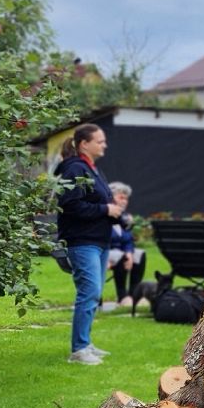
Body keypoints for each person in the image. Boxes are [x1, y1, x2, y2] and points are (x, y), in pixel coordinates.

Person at [55, 124, 125, 364]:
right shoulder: (75, 169)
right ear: (84, 144)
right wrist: (106, 208)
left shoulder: (92, 170)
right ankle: (78, 350)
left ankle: (86, 343)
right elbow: (70, 205)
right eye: (100, 141)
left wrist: (114, 210)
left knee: (93, 294)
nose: (104, 145)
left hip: (99, 240)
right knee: (90, 292)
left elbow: (98, 201)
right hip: (83, 241)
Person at [104, 182, 147, 311]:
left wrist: (129, 253)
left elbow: (128, 240)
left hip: (121, 252)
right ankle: (122, 296)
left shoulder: (124, 218)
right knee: (120, 256)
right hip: (104, 251)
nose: (124, 201)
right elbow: (102, 239)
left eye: (126, 198)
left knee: (139, 254)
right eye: (121, 197)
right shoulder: (103, 215)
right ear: (111, 198)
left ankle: (134, 294)